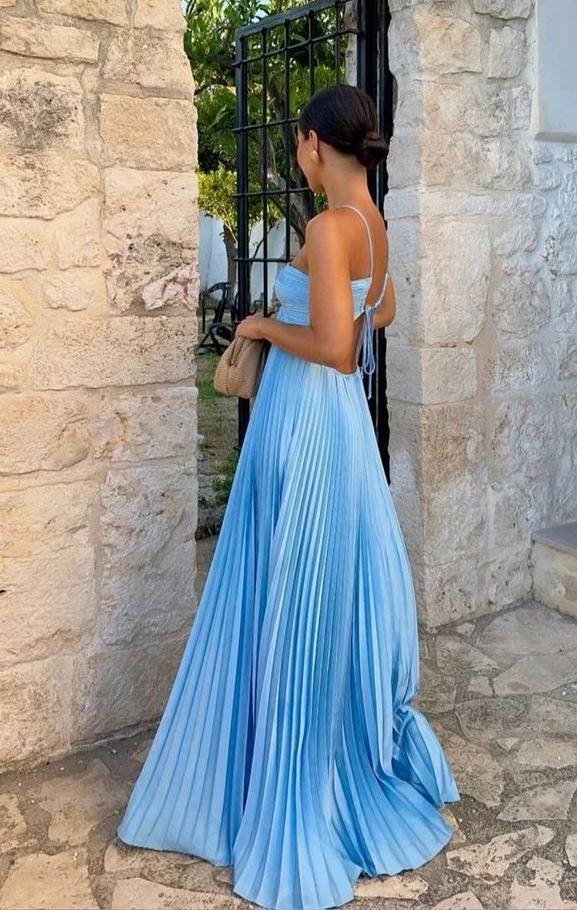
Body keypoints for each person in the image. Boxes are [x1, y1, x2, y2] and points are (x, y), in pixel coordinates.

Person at [116, 84, 459, 910]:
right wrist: (315, 315)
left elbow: (339, 350)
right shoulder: (373, 223)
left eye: (296, 147)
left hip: (304, 420)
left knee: (283, 587)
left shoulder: (327, 225)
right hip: (336, 432)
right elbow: (383, 314)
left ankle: (279, 777)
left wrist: (266, 326)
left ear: (310, 143)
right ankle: (320, 746)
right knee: (313, 588)